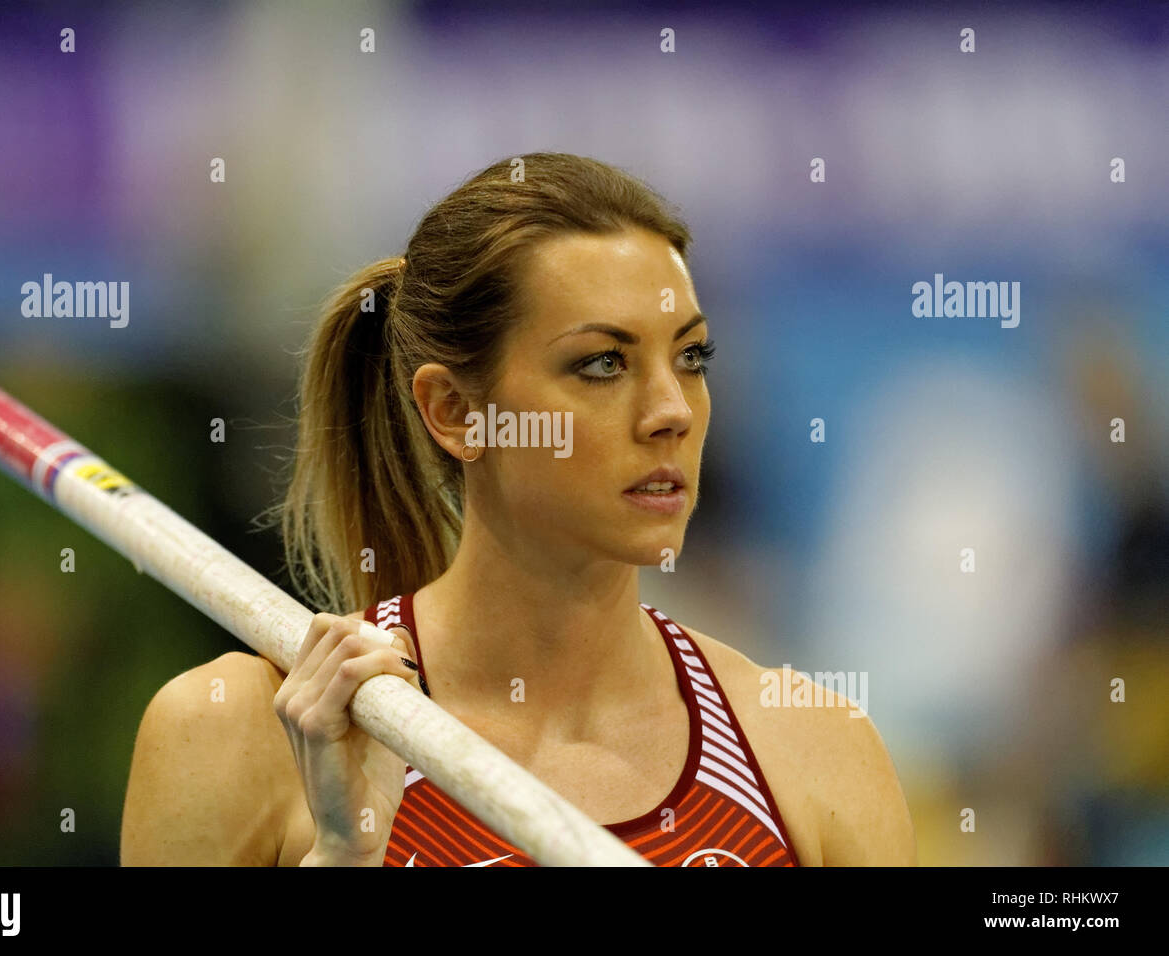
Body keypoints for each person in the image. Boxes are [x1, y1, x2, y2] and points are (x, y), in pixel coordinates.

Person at [119, 152, 918, 866]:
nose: (671, 409)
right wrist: (343, 856)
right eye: (602, 363)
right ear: (457, 412)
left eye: (691, 356)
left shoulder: (810, 749)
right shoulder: (237, 733)